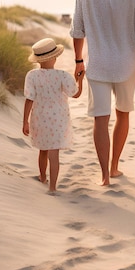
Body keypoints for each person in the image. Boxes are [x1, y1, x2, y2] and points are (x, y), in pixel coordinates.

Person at [70, 0, 135, 186]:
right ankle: (115, 166)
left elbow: (77, 30)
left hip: (97, 65)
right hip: (126, 64)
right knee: (123, 114)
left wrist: (78, 60)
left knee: (100, 119)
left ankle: (104, 175)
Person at [23, 38, 83, 194]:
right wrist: (80, 80)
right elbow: (75, 94)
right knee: (53, 154)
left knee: (43, 150)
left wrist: (25, 122)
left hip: (39, 118)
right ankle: (52, 187)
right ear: (54, 57)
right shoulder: (62, 75)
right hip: (58, 121)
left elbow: (29, 99)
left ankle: (43, 177)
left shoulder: (32, 75)